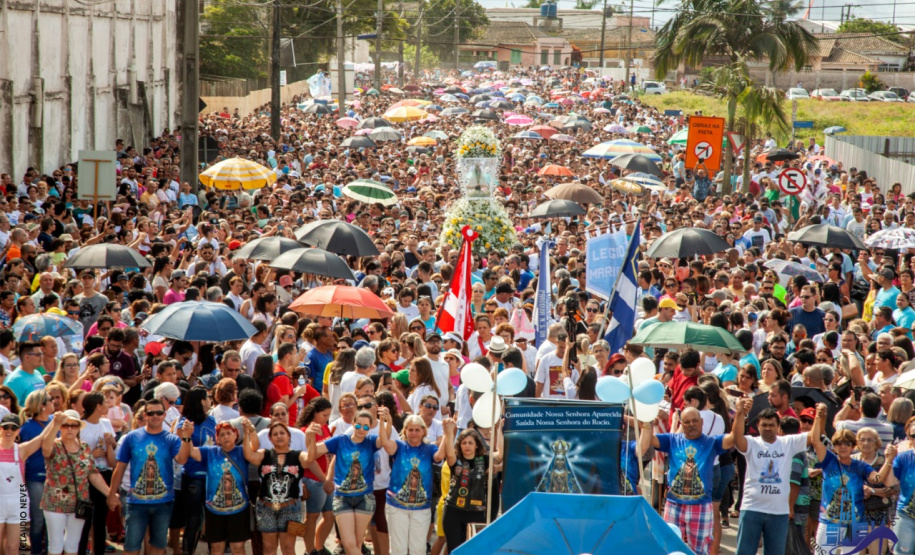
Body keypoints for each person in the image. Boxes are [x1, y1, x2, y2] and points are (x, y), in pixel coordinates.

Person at [640, 398, 751, 555]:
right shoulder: (672, 439)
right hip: (674, 505)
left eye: (694, 421)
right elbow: (650, 440)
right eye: (687, 422)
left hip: (701, 506)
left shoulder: (712, 442)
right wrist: (646, 420)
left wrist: (740, 413)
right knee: (669, 547)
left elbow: (734, 437)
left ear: (701, 422)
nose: (691, 424)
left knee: (699, 551)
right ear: (682, 424)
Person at [106, 399, 195, 555]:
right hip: (136, 501)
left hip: (163, 502)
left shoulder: (171, 439)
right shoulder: (131, 438)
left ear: (164, 415)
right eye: (151, 413)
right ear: (145, 415)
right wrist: (111, 493)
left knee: (158, 547)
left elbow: (181, 459)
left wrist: (187, 438)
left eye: (159, 413)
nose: (155, 416)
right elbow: (120, 468)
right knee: (131, 547)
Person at [809, 403, 897, 553]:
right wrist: (818, 417)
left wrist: (888, 461)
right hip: (829, 522)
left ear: (852, 446)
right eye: (838, 443)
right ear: (834, 446)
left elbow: (876, 479)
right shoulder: (829, 461)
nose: (843, 447)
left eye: (847, 443)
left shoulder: (860, 466)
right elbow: (816, 441)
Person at [305, 407, 391, 555]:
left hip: (365, 497)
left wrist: (386, 422)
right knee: (348, 543)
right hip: (342, 497)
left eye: (366, 426)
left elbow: (384, 440)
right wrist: (310, 436)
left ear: (370, 428)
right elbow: (313, 453)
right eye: (358, 425)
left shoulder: (370, 442)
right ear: (352, 423)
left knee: (357, 543)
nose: (361, 429)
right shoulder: (340, 440)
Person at [733, 407, 813, 555]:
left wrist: (820, 417)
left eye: (771, 425)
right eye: (764, 425)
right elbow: (737, 439)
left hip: (778, 512)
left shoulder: (788, 442)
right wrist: (739, 414)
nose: (767, 428)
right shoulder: (752, 442)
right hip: (752, 508)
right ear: (758, 426)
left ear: (778, 427)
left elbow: (813, 436)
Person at [40, 411, 112, 555]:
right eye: (66, 425)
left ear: (79, 428)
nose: (70, 428)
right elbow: (46, 450)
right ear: (61, 427)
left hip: (79, 503)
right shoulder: (55, 444)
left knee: (73, 546)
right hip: (55, 502)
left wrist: (110, 493)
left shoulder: (84, 447)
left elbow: (92, 473)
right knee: (55, 546)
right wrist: (55, 424)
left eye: (74, 425)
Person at [379, 414, 448, 555]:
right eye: (410, 430)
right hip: (396, 505)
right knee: (398, 549)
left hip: (421, 506)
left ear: (423, 431)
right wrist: (383, 422)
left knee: (418, 549)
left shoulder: (429, 448)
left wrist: (447, 434)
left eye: (417, 429)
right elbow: (385, 442)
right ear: (405, 431)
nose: (414, 433)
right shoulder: (399, 446)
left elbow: (439, 457)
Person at [186, 420, 254, 555]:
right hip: (214, 508)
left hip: (239, 508)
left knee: (238, 547)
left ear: (236, 435)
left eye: (229, 433)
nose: (226, 437)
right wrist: (187, 436)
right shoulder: (210, 452)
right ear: (217, 439)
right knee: (216, 548)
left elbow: (254, 446)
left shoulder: (242, 451)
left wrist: (249, 432)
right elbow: (192, 452)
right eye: (222, 435)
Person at [244, 420, 311, 555]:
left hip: (292, 507)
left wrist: (312, 437)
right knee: (268, 548)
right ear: (270, 438)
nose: (279, 436)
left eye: (282, 433)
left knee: (289, 548)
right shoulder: (265, 454)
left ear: (289, 436)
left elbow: (310, 459)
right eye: (275, 434)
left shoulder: (299, 455)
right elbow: (249, 455)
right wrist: (247, 433)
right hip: (265, 507)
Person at [0, 412, 59, 555]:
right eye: (5, 427)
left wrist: (55, 423)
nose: (9, 431)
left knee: (13, 547)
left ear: (18, 431)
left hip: (17, 499)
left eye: (13, 428)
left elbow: (40, 438)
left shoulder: (21, 450)